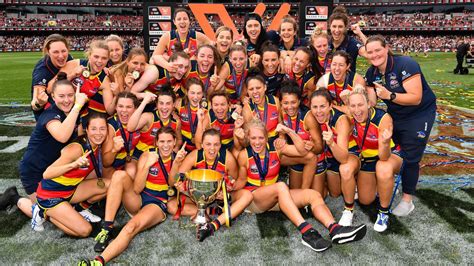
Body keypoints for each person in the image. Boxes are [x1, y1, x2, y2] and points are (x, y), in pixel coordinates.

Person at [235, 118, 366, 252]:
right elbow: (240, 180)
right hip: (255, 199)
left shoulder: (275, 147)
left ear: (266, 137)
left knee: (313, 195)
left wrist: (289, 131)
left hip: (275, 197)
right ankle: (307, 232)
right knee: (281, 186)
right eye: (253, 138)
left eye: (261, 138)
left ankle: (335, 229)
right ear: (248, 138)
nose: (257, 142)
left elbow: (303, 152)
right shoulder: (244, 155)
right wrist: (230, 188)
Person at [83, 127, 187, 265]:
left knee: (131, 227)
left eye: (169, 141)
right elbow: (137, 189)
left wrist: (177, 163)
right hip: (138, 198)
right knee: (119, 175)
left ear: (175, 142)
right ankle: (107, 228)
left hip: (156, 204)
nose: (166, 145)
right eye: (162, 141)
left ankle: (98, 262)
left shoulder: (179, 157)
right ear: (156, 142)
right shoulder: (147, 155)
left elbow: (172, 183)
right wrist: (146, 166)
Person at [0, 73, 90, 221]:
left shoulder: (76, 112)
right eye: (61, 96)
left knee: (65, 201)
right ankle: (14, 198)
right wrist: (77, 107)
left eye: (70, 95)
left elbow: (80, 136)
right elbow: (62, 135)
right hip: (34, 170)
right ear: (53, 97)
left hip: (53, 168)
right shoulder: (51, 114)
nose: (67, 100)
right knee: (44, 214)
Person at [364, 35, 436, 217]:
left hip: (419, 113)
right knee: (392, 150)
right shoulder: (371, 73)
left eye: (378, 50)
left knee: (411, 155)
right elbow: (372, 102)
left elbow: (416, 97)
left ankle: (407, 200)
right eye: (370, 52)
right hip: (397, 114)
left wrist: (390, 96)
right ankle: (390, 183)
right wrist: (358, 93)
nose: (374, 55)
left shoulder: (405, 64)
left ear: (386, 48)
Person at [31, 112, 109, 234]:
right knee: (85, 230)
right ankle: (43, 213)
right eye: (93, 128)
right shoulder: (76, 148)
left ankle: (79, 209)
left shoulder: (97, 145)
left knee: (110, 184)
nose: (98, 133)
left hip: (71, 190)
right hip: (51, 195)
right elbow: (47, 174)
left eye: (102, 129)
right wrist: (73, 165)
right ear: (87, 130)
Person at [171, 128, 253, 242]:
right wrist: (181, 186)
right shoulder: (195, 155)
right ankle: (208, 211)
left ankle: (213, 225)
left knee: (247, 195)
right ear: (202, 145)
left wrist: (227, 190)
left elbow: (235, 180)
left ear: (220, 145)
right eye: (208, 144)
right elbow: (177, 178)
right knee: (171, 205)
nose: (212, 148)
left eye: (216, 144)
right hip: (199, 197)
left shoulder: (228, 158)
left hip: (220, 197)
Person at [342, 85, 403, 232]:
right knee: (365, 200)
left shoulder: (383, 118)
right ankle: (381, 184)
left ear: (369, 104)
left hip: (389, 155)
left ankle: (383, 212)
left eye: (361, 105)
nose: (357, 110)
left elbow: (384, 156)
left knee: (383, 168)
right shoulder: (351, 116)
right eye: (353, 106)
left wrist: (385, 142)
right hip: (368, 159)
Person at [309, 89, 359, 205]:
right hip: (329, 156)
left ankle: (356, 177)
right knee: (335, 193)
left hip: (348, 154)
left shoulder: (340, 121)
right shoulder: (311, 116)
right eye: (315, 107)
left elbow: (343, 158)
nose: (318, 111)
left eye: (322, 106)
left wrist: (331, 143)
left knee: (345, 170)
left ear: (330, 106)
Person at [279, 81, 323, 189]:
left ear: (299, 101)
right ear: (281, 103)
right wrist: (281, 139)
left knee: (319, 194)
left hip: (315, 156)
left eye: (293, 102)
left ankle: (323, 183)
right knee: (294, 193)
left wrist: (312, 147)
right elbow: (282, 135)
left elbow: (320, 147)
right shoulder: (282, 112)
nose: (289, 107)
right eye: (286, 103)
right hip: (298, 155)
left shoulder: (308, 118)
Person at [50, 39, 110, 116]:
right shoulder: (74, 64)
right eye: (96, 56)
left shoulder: (104, 78)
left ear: (108, 59)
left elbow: (109, 110)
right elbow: (50, 88)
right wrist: (72, 75)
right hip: (60, 112)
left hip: (82, 116)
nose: (99, 61)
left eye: (104, 58)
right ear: (89, 55)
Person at [127, 85, 182, 159]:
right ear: (156, 104)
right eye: (161, 103)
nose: (164, 107)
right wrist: (144, 102)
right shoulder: (149, 117)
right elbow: (130, 128)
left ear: (173, 105)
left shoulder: (176, 122)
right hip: (141, 154)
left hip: (162, 157)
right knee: (131, 170)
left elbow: (179, 140)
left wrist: (175, 150)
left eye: (168, 103)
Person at [30, 34, 73, 120]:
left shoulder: (69, 59)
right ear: (47, 51)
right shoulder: (41, 69)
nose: (61, 56)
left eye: (64, 51)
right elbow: (35, 103)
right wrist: (39, 103)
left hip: (65, 106)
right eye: (56, 52)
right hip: (47, 114)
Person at [102, 92, 141, 179]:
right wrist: (114, 150)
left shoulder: (139, 122)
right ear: (115, 107)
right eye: (120, 106)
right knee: (120, 181)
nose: (124, 110)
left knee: (132, 173)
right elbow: (105, 163)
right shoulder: (110, 127)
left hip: (128, 161)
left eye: (128, 107)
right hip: (111, 167)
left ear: (135, 109)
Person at [195, 91, 244, 157]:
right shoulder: (208, 116)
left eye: (223, 104)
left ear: (229, 105)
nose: (219, 108)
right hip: (214, 147)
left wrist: (237, 128)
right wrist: (200, 121)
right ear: (211, 106)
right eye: (216, 105)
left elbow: (238, 147)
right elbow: (198, 145)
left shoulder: (236, 114)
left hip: (230, 148)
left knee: (237, 153)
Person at [103, 48, 148, 115]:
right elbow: (122, 101)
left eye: (142, 64)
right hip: (109, 112)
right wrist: (126, 88)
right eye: (135, 63)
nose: (138, 67)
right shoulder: (118, 73)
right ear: (128, 62)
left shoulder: (143, 74)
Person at [242, 72, 280, 143]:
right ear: (247, 91)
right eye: (251, 89)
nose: (255, 91)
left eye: (258, 88)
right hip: (258, 142)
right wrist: (253, 125)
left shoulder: (275, 101)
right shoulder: (247, 109)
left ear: (265, 87)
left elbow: (281, 124)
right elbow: (247, 140)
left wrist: (281, 139)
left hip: (275, 140)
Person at [328, 6, 368, 73]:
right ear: (330, 26)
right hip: (327, 82)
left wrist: (360, 34)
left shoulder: (352, 43)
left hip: (348, 82)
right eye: (334, 26)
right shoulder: (325, 43)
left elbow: (370, 53)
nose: (336, 30)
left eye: (340, 27)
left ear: (345, 27)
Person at [177, 77, 206, 152]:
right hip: (183, 146)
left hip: (200, 146)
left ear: (202, 93)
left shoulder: (208, 107)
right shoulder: (179, 103)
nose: (196, 97)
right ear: (186, 92)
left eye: (199, 93)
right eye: (192, 93)